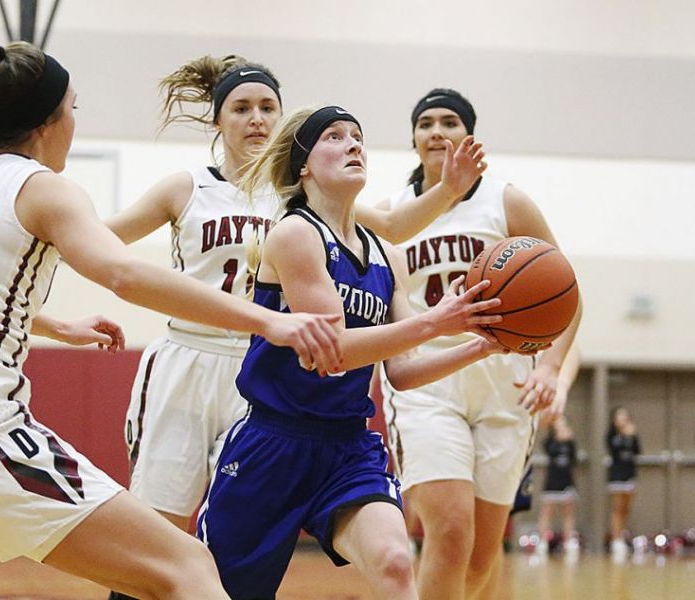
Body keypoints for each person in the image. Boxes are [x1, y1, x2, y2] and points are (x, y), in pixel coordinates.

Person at [0, 42, 347, 600]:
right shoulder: (44, 187)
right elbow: (122, 272)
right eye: (74, 108)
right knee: (187, 568)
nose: (76, 120)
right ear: (48, 122)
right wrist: (271, 323)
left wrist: (54, 326)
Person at [104, 55, 489, 543]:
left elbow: (393, 227)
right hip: (188, 360)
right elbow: (98, 240)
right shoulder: (188, 186)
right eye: (241, 108)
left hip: (260, 368)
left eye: (268, 107)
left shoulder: (297, 196)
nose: (257, 118)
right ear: (218, 121)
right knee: (157, 530)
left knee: (230, 537)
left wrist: (449, 192)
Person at [196, 104, 513, 600]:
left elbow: (403, 371)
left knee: (393, 562)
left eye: (358, 137)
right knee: (225, 590)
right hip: (271, 444)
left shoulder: (382, 254)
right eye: (335, 137)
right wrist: (435, 321)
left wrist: (479, 344)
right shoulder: (295, 234)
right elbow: (333, 352)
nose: (353, 145)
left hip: (347, 446)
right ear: (303, 164)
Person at [357, 88, 583, 600]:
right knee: (451, 531)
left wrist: (549, 370)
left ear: (469, 137)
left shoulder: (506, 201)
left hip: (504, 385)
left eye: (450, 122)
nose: (437, 131)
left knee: (480, 555)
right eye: (425, 123)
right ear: (414, 140)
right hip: (426, 383)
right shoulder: (390, 214)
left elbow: (568, 296)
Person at [536, 415, 579, 556]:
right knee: (547, 512)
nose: (561, 425)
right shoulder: (550, 441)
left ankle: (569, 541)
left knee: (568, 513)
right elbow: (549, 451)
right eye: (558, 423)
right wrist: (559, 439)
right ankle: (542, 542)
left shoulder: (570, 442)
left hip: (567, 481)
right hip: (552, 481)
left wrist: (570, 441)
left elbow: (574, 459)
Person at [608, 405, 641, 562]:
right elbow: (612, 449)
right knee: (617, 508)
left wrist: (632, 436)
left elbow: (638, 451)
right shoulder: (612, 435)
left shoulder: (632, 434)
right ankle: (616, 540)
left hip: (629, 474)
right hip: (616, 475)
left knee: (626, 508)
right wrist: (622, 435)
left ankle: (623, 535)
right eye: (618, 417)